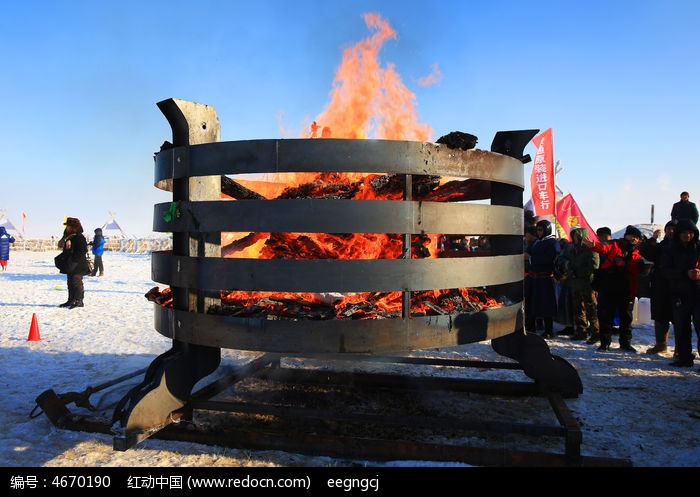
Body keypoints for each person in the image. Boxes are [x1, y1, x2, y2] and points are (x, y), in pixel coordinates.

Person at [582, 225, 645, 352]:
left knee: (626, 318)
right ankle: (605, 342)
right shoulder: (615, 244)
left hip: (627, 288)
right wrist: (593, 245)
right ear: (625, 235)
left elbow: (639, 269)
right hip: (609, 286)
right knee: (606, 316)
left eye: (636, 237)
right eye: (631, 235)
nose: (633, 239)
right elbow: (603, 247)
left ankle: (625, 343)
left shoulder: (639, 252)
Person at [658, 219, 700, 367]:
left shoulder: (699, 248)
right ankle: (684, 358)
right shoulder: (671, 250)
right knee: (681, 327)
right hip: (679, 293)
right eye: (683, 232)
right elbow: (665, 270)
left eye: (690, 232)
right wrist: (684, 273)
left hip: (698, 292)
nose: (687, 235)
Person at [638, 220, 677, 354]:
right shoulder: (660, 246)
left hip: (677, 286)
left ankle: (681, 348)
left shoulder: (684, 247)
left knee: (679, 318)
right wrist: (653, 239)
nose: (671, 231)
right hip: (660, 286)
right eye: (668, 229)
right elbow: (647, 253)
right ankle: (661, 344)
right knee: (660, 316)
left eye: (673, 229)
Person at [524, 219, 559, 338]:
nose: (538, 232)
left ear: (547, 229)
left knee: (546, 305)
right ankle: (531, 327)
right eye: (537, 229)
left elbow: (549, 259)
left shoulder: (552, 242)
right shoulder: (537, 242)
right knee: (532, 303)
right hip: (534, 277)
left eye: (541, 229)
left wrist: (530, 259)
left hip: (545, 278)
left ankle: (549, 330)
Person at [566, 227, 600, 341]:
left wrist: (578, 273)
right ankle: (581, 331)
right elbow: (570, 263)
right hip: (576, 283)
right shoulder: (573, 250)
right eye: (573, 236)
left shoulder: (590, 249)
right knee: (578, 309)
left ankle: (596, 333)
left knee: (592, 309)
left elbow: (595, 265)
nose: (574, 238)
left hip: (587, 283)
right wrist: (570, 270)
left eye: (576, 235)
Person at [57, 217, 91, 309]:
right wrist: (65, 240)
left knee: (76, 282)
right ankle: (71, 300)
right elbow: (59, 245)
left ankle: (79, 300)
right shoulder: (68, 236)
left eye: (68, 226)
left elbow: (82, 250)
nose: (66, 228)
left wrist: (74, 260)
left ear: (73, 227)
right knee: (70, 282)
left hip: (78, 264)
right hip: (70, 263)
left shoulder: (79, 237)